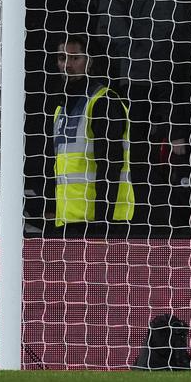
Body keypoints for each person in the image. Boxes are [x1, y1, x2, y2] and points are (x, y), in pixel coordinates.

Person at [50, 35, 135, 235]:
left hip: (104, 220)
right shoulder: (61, 109)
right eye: (62, 58)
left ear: (90, 61)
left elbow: (111, 162)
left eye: (75, 58)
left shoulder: (103, 101)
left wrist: (103, 219)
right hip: (70, 218)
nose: (67, 65)